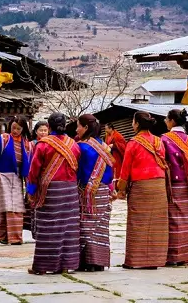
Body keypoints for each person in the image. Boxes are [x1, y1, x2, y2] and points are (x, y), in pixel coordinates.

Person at [26, 112, 81, 275]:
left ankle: (42, 266)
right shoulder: (74, 144)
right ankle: (65, 265)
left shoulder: (43, 145)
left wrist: (31, 191)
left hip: (50, 190)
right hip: (70, 190)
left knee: (48, 226)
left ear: (48, 127)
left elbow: (34, 170)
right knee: (67, 227)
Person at [117, 111, 170, 270]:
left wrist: (121, 189)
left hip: (141, 187)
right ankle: (155, 260)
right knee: (157, 224)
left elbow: (125, 169)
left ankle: (136, 261)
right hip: (159, 185)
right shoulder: (159, 141)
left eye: (133, 121)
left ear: (137, 124)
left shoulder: (133, 143)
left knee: (138, 223)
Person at [0, 115, 32, 246]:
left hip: (17, 177)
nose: (15, 130)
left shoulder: (27, 144)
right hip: (2, 175)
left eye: (18, 128)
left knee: (17, 206)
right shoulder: (3, 139)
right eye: (13, 127)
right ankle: (7, 236)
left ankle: (12, 236)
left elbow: (28, 165)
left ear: (23, 129)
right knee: (6, 206)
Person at [161, 108, 188, 266]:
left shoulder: (164, 139)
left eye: (166, 119)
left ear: (171, 121)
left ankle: (173, 256)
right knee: (185, 218)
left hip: (171, 185)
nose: (164, 121)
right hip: (187, 185)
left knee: (173, 219)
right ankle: (186, 254)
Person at [76, 114, 114, 272]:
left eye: (78, 125)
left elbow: (77, 171)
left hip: (86, 191)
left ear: (85, 128)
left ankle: (86, 261)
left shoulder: (81, 147)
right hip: (104, 190)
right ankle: (99, 261)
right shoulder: (105, 147)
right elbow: (111, 171)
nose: (77, 129)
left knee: (85, 225)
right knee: (100, 227)